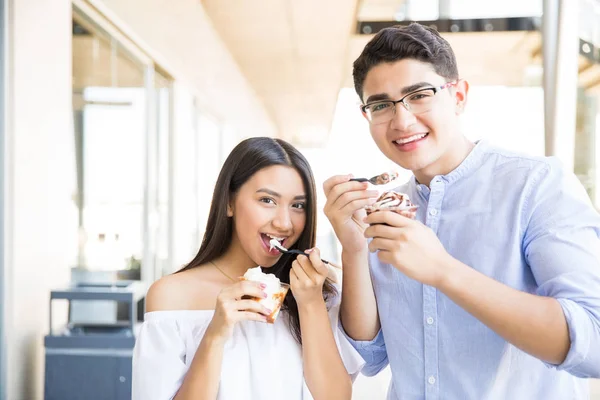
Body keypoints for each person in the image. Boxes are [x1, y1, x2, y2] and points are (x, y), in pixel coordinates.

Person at [323, 22, 600, 399]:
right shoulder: (387, 210)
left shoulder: (536, 185)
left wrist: (443, 270)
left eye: (419, 95)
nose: (401, 120)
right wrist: (354, 248)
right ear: (367, 115)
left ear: (459, 96)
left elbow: (593, 342)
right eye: (381, 104)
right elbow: (370, 356)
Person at [133, 137, 363, 400]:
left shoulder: (315, 290)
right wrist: (215, 334)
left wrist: (310, 304)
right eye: (267, 200)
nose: (284, 223)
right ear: (229, 202)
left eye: (298, 205)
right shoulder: (171, 296)